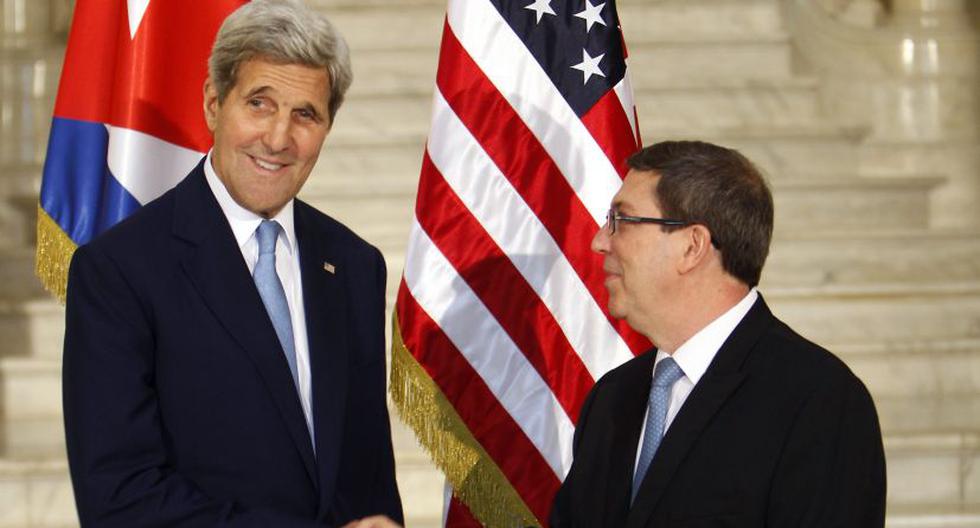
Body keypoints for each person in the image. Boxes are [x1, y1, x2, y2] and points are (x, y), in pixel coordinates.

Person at [62, 1, 403, 526]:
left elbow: (370, 476)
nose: (278, 138)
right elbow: (120, 498)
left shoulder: (354, 265)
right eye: (260, 104)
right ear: (214, 104)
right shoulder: (119, 271)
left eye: (305, 114)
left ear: (328, 126)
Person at [550, 141, 886, 527]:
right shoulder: (612, 399)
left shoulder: (819, 400)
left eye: (621, 221)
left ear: (692, 246)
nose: (599, 240)